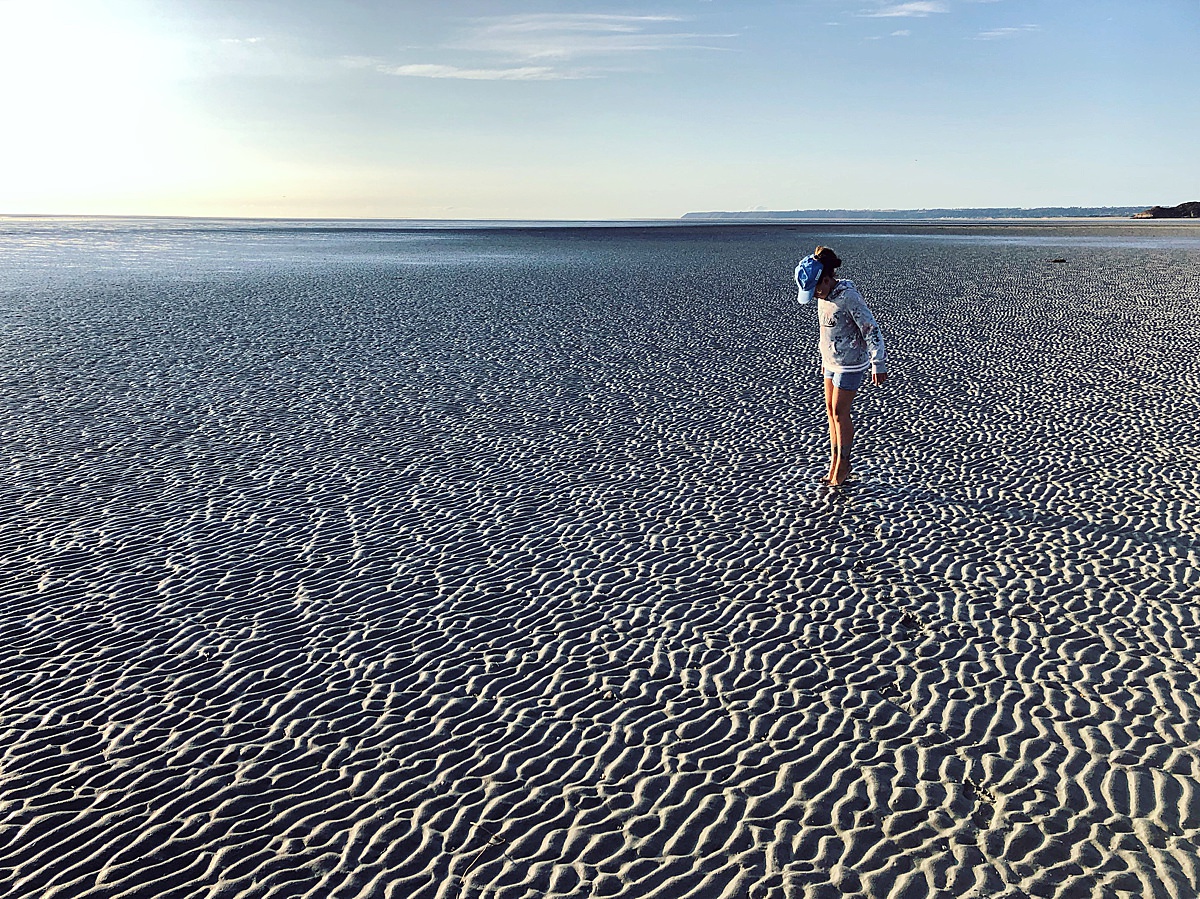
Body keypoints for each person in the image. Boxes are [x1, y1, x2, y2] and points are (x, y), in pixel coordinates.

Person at [794, 246, 888, 486]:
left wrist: (878, 362)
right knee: (830, 411)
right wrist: (823, 359)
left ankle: (843, 464)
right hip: (830, 361)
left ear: (826, 279)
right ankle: (834, 462)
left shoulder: (849, 297)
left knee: (839, 412)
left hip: (850, 363)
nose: (815, 295)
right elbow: (826, 330)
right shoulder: (822, 296)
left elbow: (870, 328)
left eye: (816, 289)